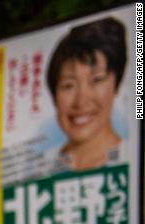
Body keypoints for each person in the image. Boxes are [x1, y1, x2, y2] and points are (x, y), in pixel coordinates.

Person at [44, 17, 128, 173]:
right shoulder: (39, 170)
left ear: (116, 84)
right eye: (68, 85)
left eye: (96, 80)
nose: (81, 101)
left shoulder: (131, 161)